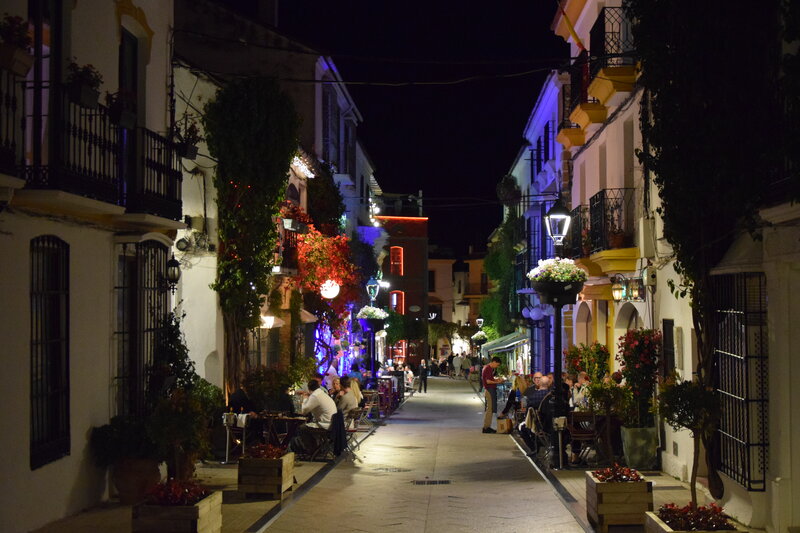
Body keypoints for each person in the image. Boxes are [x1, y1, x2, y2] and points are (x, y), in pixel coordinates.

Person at [289, 379, 339, 456]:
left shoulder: (315, 396)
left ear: (308, 388)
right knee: (307, 426)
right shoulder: (321, 393)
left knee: (302, 428)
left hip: (325, 425)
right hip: (332, 423)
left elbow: (303, 411)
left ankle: (312, 450)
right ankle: (317, 449)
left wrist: (305, 398)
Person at [481, 356, 506, 433]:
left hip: (489, 389)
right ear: (494, 362)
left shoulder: (487, 368)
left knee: (490, 409)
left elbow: (489, 380)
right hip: (489, 390)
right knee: (490, 409)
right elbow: (488, 381)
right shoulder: (488, 368)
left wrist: (496, 380)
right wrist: (497, 382)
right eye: (497, 365)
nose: (497, 366)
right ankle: (486, 427)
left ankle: (487, 426)